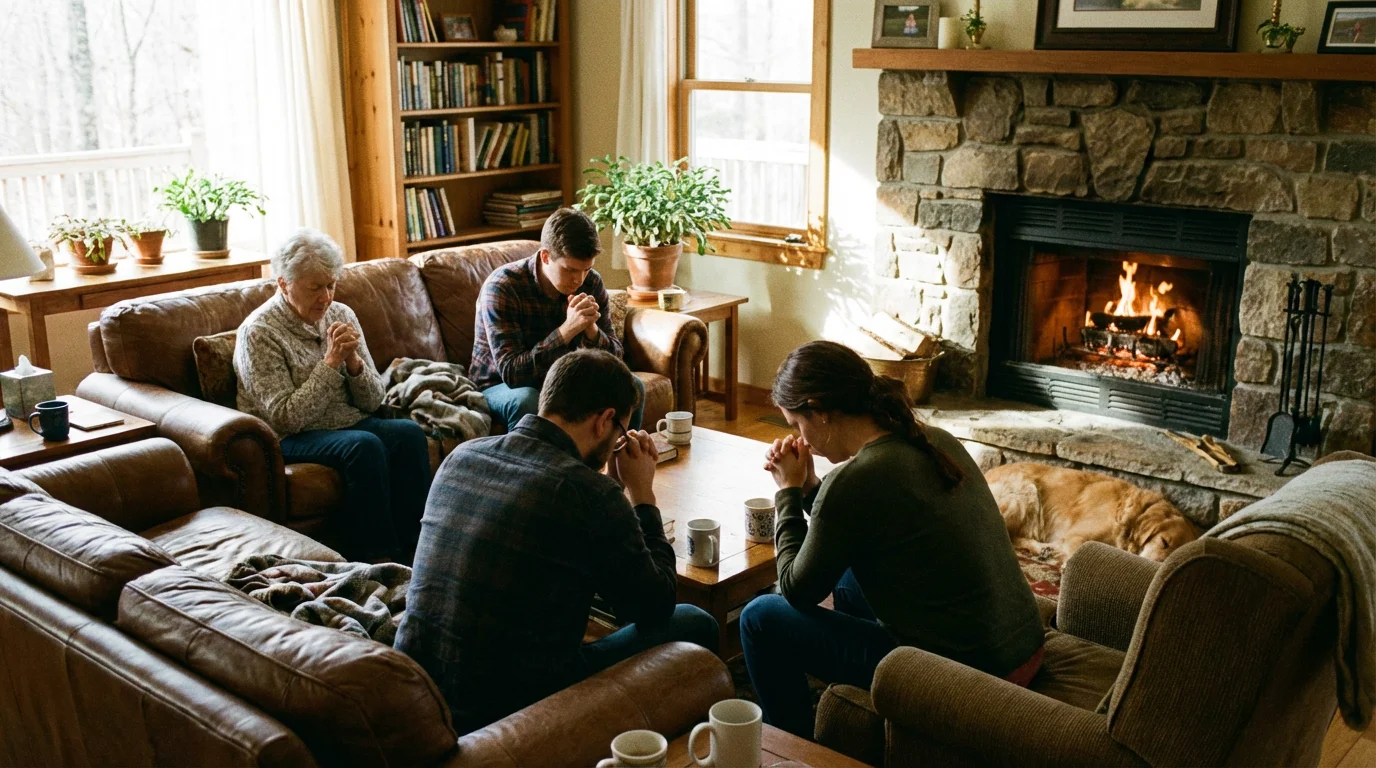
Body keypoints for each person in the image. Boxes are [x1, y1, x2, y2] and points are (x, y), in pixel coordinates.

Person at [396, 348, 718, 734]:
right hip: (516, 706)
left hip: (418, 690)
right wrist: (643, 496)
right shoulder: (591, 495)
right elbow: (655, 607)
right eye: (620, 431)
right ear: (604, 422)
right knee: (695, 622)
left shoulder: (461, 456)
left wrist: (608, 490)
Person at [739, 341, 1046, 739]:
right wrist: (814, 485)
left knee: (760, 617)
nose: (801, 438)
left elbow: (795, 589)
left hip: (972, 677)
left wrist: (788, 493)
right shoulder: (934, 438)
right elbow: (856, 520)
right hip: (1024, 648)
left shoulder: (854, 481)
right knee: (849, 574)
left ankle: (794, 748)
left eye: (797, 424)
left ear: (820, 410)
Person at [234, 228, 429, 563]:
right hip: (288, 436)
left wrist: (353, 364)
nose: (326, 297)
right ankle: (379, 559)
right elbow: (286, 417)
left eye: (331, 284)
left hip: (347, 422)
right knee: (363, 446)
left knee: (408, 434)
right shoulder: (259, 333)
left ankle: (421, 548)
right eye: (315, 287)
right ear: (283, 283)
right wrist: (330, 363)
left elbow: (372, 401)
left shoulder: (341, 314)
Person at [470, 207, 646, 430]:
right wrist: (567, 331)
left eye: (586, 269)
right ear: (546, 256)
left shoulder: (591, 282)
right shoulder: (503, 287)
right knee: (528, 401)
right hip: (498, 385)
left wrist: (592, 330)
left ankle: (621, 464)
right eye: (570, 270)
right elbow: (513, 374)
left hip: (562, 379)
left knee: (632, 387)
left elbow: (616, 362)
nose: (579, 280)